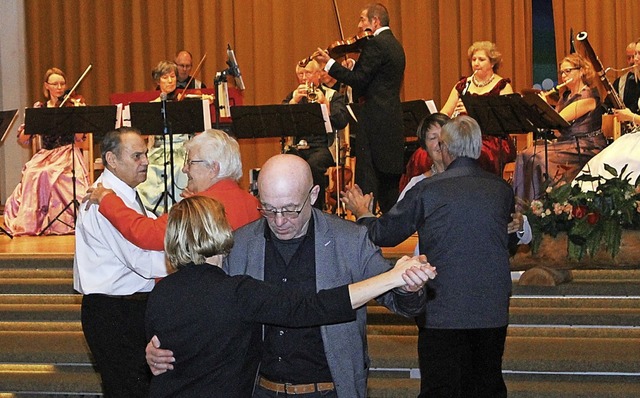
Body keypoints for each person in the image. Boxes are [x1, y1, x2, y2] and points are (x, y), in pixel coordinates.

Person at [147, 153, 433, 397]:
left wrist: (409, 285)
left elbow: (404, 303)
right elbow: (206, 307)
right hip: (259, 389)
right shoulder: (240, 243)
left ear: (313, 195)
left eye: (290, 210)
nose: (280, 221)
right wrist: (159, 348)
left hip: (328, 389)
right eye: (269, 210)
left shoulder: (351, 240)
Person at [343, 116, 515, 398]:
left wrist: (363, 213)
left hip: (443, 308)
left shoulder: (429, 190)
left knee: (441, 388)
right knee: (486, 384)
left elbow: (385, 234)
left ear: (445, 148)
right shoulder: (500, 190)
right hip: (492, 306)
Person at [73, 127, 168, 397]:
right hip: (114, 311)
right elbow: (141, 261)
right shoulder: (100, 202)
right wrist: (186, 261)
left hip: (130, 307)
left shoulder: (123, 194)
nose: (146, 162)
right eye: (137, 156)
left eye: (146, 154)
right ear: (111, 160)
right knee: (128, 390)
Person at [81, 129, 260, 251]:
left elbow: (146, 234)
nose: (184, 169)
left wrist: (107, 200)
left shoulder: (200, 209)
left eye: (190, 162)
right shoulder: (253, 203)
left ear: (213, 168)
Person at [314, 3, 406, 214]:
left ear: (375, 22)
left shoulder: (375, 44)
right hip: (389, 118)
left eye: (362, 19)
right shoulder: (394, 45)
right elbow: (374, 79)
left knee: (368, 178)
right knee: (386, 181)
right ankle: (389, 225)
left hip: (374, 121)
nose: (359, 24)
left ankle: (366, 224)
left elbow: (358, 81)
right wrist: (356, 67)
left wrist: (330, 64)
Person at [3, 68, 90, 236]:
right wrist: (32, 123)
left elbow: (79, 138)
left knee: (48, 173)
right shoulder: (40, 108)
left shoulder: (72, 105)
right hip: (45, 154)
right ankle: (36, 222)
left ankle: (60, 221)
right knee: (33, 173)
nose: (59, 87)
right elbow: (23, 139)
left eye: (62, 84)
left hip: (67, 153)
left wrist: (79, 117)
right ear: (47, 86)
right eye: (55, 84)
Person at [513, 53, 606, 201]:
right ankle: (525, 207)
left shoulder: (588, 95)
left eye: (568, 71)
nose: (563, 75)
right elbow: (555, 129)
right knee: (525, 154)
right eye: (562, 72)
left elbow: (558, 119)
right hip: (567, 143)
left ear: (582, 71)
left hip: (586, 145)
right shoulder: (565, 96)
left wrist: (541, 105)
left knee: (537, 156)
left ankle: (548, 203)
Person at [440, 41, 517, 177]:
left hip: (491, 139)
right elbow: (446, 112)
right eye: (474, 59)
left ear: (492, 63)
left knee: (478, 154)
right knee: (425, 153)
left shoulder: (502, 87)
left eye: (481, 59)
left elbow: (505, 121)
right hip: (461, 135)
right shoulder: (463, 85)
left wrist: (473, 112)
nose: (476, 63)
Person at [284, 59, 349, 210]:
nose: (304, 77)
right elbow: (282, 121)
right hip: (298, 146)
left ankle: (316, 208)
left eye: (308, 72)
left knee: (313, 165)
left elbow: (341, 121)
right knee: (288, 165)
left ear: (319, 74)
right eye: (300, 74)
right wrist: (294, 101)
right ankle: (293, 206)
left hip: (324, 147)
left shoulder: (333, 96)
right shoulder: (293, 96)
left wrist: (325, 103)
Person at [136, 60, 190, 214]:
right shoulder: (152, 106)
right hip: (159, 150)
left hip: (181, 149)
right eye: (165, 77)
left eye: (173, 76)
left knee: (179, 167)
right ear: (158, 81)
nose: (170, 80)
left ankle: (180, 210)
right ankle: (154, 212)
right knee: (150, 169)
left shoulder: (185, 104)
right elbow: (147, 136)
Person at [611, 41, 639, 114]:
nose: (632, 61)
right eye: (628, 58)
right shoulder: (620, 82)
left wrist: (631, 116)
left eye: (634, 56)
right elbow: (608, 105)